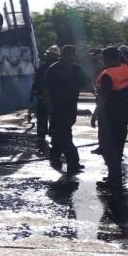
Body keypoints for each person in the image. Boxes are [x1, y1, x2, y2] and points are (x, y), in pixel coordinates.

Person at [42, 45, 89, 174]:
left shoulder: (76, 69)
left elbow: (86, 82)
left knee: (60, 133)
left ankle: (54, 156)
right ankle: (73, 162)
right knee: (65, 134)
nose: (70, 56)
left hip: (71, 106)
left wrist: (95, 91)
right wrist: (49, 105)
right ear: (62, 55)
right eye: (67, 54)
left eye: (72, 54)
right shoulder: (54, 69)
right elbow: (45, 88)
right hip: (58, 106)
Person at [91, 47, 128, 188]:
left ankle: (113, 178)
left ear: (107, 58)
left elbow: (103, 98)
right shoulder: (127, 68)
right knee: (118, 145)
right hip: (124, 111)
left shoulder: (107, 75)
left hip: (109, 115)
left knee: (106, 147)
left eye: (103, 58)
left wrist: (95, 114)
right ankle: (116, 177)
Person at [32, 45, 60, 146]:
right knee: (54, 118)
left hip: (44, 97)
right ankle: (53, 136)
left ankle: (41, 136)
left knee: (42, 117)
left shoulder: (43, 67)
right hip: (55, 98)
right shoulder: (60, 67)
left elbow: (37, 82)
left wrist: (35, 93)